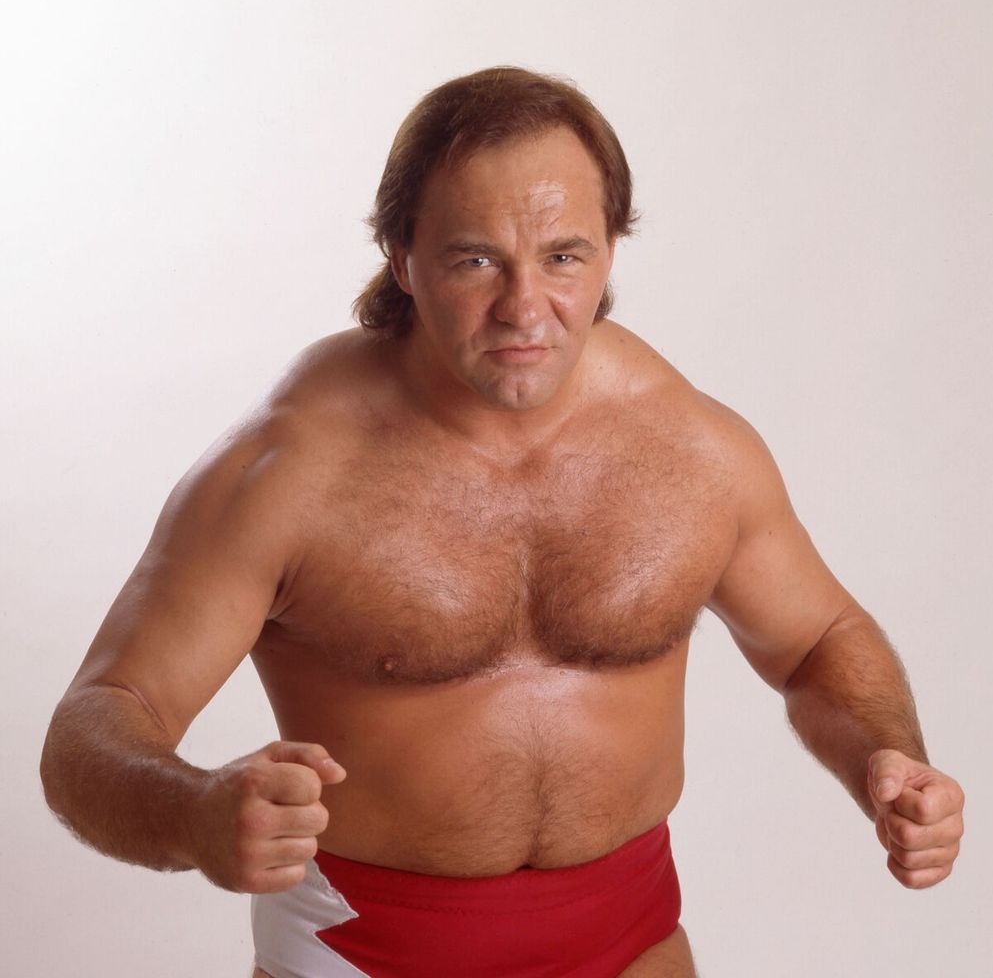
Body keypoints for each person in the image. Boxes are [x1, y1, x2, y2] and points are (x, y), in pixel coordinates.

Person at [40, 66, 965, 978]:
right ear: (401, 259)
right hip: (356, 952)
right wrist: (193, 814)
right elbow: (99, 723)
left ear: (609, 251)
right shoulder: (286, 472)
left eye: (564, 256)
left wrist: (892, 761)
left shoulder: (692, 448)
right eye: (475, 258)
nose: (526, 309)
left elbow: (817, 640)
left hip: (630, 945)